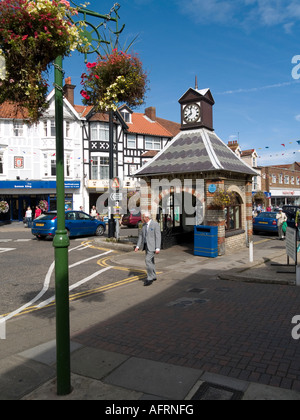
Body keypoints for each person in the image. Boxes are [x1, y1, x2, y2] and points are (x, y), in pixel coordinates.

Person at [135, 212, 161, 287]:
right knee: (151, 261)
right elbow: (140, 236)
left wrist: (158, 247)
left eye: (143, 217)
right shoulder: (143, 225)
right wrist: (137, 246)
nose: (142, 218)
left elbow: (158, 236)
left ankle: (149, 278)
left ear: (147, 217)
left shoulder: (155, 224)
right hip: (146, 246)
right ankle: (154, 275)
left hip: (153, 246)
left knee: (147, 260)